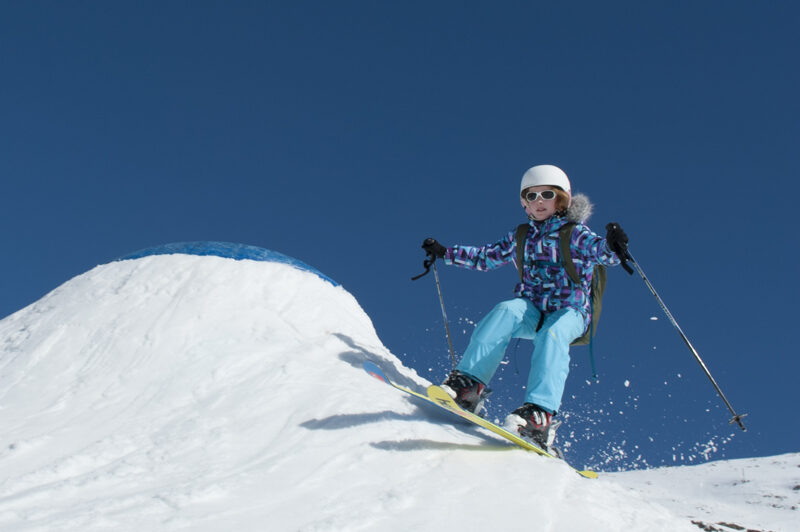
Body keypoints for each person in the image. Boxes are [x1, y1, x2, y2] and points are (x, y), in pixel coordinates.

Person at [422, 164, 629, 451]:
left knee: (552, 334)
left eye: (547, 194)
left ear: (561, 199)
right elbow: (487, 257)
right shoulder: (522, 236)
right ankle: (468, 387)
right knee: (505, 311)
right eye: (532, 196)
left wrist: (614, 246)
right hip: (533, 310)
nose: (539, 201)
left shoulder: (575, 233)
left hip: (571, 312)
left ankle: (539, 415)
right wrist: (446, 254)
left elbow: (602, 253)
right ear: (524, 203)